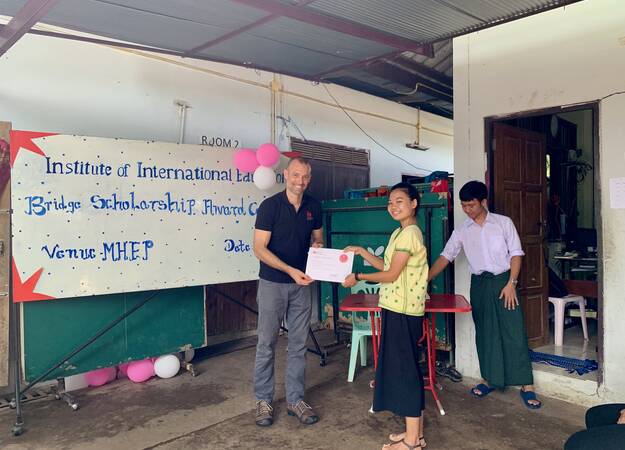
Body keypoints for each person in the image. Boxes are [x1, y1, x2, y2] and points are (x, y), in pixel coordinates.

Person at [427, 180, 542, 409]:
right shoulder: (462, 230)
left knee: (513, 329)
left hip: (504, 281)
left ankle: (526, 384)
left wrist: (512, 283)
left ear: (483, 202)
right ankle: (489, 379)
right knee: (485, 331)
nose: (467, 210)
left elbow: (516, 254)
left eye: (471, 205)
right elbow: (446, 256)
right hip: (479, 284)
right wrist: (425, 279)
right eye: (464, 206)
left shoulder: (502, 223)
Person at [343, 182, 428, 450]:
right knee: (406, 370)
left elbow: (391, 275)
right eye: (390, 202)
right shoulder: (399, 234)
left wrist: (357, 276)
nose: (393, 206)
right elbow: (388, 266)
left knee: (406, 373)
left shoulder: (410, 234)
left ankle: (412, 441)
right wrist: (361, 251)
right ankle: (416, 434)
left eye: (400, 201)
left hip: (404, 311)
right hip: (394, 308)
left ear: (414, 203)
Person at [252, 157, 323, 427]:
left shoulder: (314, 206)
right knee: (266, 343)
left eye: (304, 177)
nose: (300, 182)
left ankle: (295, 399)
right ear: (285, 175)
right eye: (295, 176)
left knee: (298, 344)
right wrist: (289, 270)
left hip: (301, 285)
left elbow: (318, 237)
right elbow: (259, 248)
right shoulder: (270, 207)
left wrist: (317, 247)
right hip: (272, 283)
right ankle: (263, 400)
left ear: (309, 177)